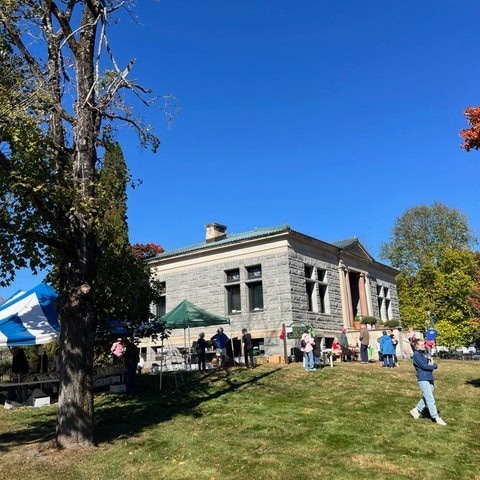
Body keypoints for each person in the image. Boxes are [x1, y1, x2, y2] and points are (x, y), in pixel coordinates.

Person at [410, 338, 447, 426]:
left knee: (427, 396)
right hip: (423, 378)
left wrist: (432, 365)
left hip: (429, 377)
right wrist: (433, 366)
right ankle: (436, 417)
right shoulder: (416, 355)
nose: (424, 346)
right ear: (417, 346)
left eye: (424, 344)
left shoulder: (424, 353)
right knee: (430, 399)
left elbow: (431, 363)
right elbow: (425, 366)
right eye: (422, 345)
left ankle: (416, 410)